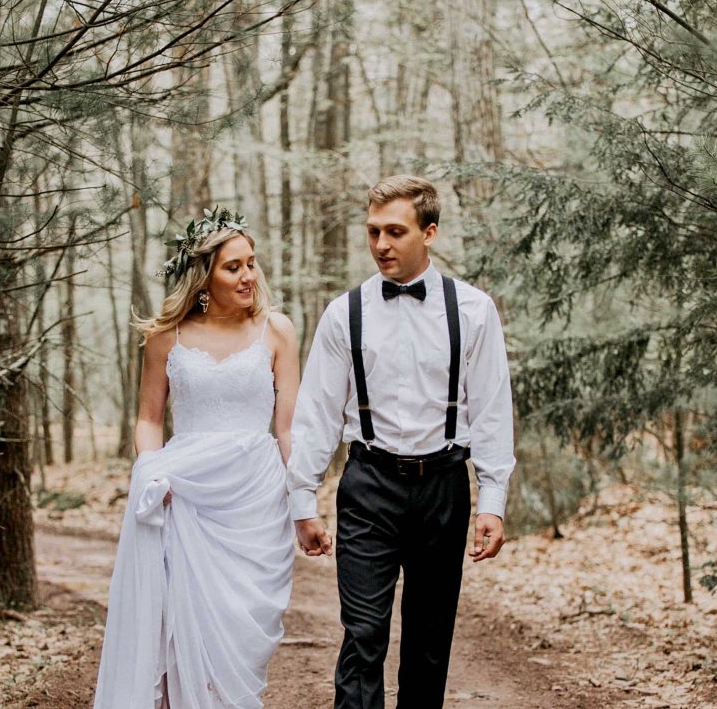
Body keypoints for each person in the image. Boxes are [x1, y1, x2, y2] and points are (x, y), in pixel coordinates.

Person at [287, 175, 515, 708]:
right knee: (363, 637)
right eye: (373, 232)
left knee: (429, 645)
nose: (381, 245)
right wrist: (304, 499)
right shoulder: (344, 313)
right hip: (368, 487)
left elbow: (491, 411)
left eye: (395, 231)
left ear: (429, 232)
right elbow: (317, 413)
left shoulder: (474, 311)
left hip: (444, 488)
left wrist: (494, 501)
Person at [94, 208, 298, 709]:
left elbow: (289, 427)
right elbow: (148, 419)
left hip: (256, 497)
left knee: (239, 629)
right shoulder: (168, 337)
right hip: (184, 493)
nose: (248, 275)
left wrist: (305, 502)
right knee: (178, 627)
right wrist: (153, 471)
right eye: (233, 267)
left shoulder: (278, 331)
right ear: (204, 275)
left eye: (251, 263)